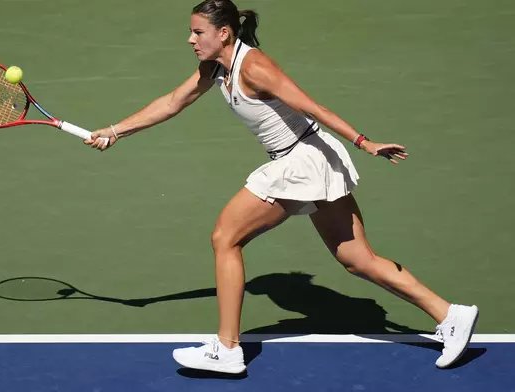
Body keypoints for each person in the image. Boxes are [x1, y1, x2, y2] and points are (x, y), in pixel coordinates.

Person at [85, 0, 479, 374]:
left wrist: (365, 142)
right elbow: (173, 102)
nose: (190, 39)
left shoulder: (254, 67)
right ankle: (450, 315)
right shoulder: (215, 68)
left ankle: (226, 348)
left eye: (197, 32)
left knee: (226, 238)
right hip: (312, 158)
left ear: (223, 33)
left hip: (304, 159)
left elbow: (314, 108)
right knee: (357, 259)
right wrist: (116, 131)